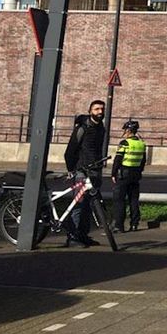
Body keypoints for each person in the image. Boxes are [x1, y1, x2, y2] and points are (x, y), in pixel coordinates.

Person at [63, 99, 107, 247]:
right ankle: (73, 237)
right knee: (79, 204)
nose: (100, 112)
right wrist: (71, 169)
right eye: (96, 109)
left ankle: (83, 235)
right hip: (82, 170)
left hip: (95, 170)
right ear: (90, 111)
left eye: (102, 109)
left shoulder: (101, 128)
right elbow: (70, 151)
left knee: (89, 205)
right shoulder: (82, 128)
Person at [111, 120, 147, 233]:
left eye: (125, 130)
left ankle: (119, 226)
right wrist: (139, 171)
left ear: (128, 130)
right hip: (136, 174)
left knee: (119, 200)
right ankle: (134, 224)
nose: (124, 132)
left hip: (124, 174)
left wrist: (113, 173)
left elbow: (118, 160)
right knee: (133, 200)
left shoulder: (125, 143)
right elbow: (143, 161)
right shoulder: (142, 144)